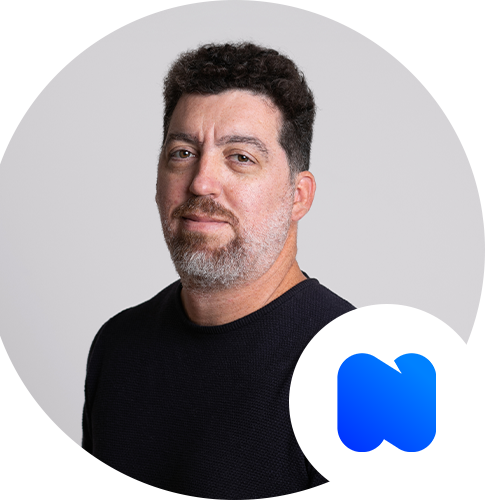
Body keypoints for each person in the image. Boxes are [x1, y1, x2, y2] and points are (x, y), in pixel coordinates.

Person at [71, 42, 439, 499]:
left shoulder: (374, 378)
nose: (201, 182)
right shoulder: (119, 344)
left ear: (299, 196)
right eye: (182, 152)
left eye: (240, 157)